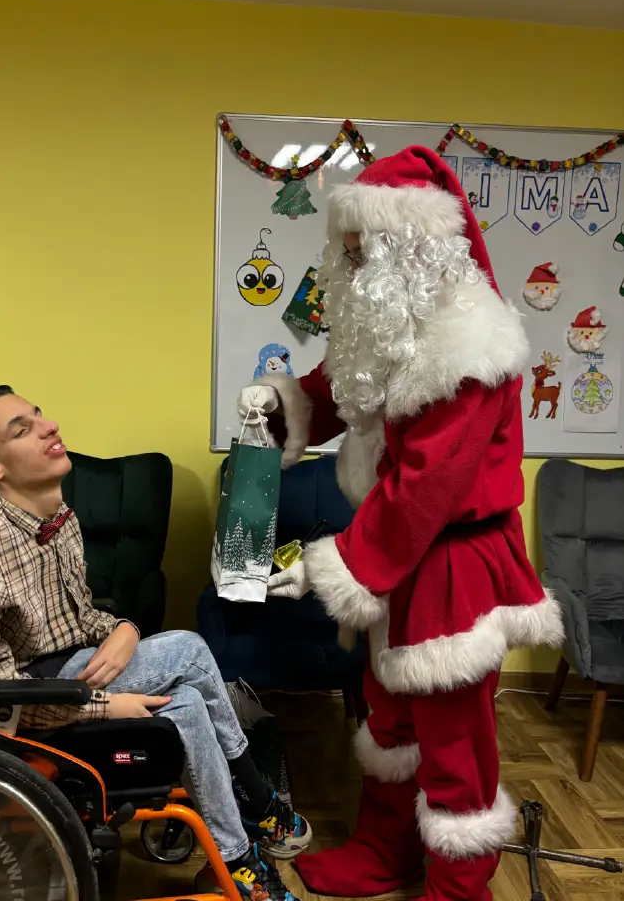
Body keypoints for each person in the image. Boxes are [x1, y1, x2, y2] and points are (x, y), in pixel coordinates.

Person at [238, 146, 564, 901]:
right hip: (403, 555)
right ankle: (387, 851)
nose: (352, 267)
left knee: (454, 738)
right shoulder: (396, 324)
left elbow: (425, 487)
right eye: (347, 251)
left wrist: (330, 564)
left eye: (364, 252)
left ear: (412, 249)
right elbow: (345, 387)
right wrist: (284, 403)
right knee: (391, 713)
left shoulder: (468, 351)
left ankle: (460, 887)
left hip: (452, 561)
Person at [0, 385, 311, 901]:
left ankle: (234, 861)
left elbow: (83, 616)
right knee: (188, 648)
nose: (49, 427)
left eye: (39, 415)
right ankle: (260, 804)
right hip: (30, 704)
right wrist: (103, 706)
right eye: (22, 430)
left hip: (72, 669)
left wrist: (125, 629)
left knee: (187, 703)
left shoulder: (59, 519)